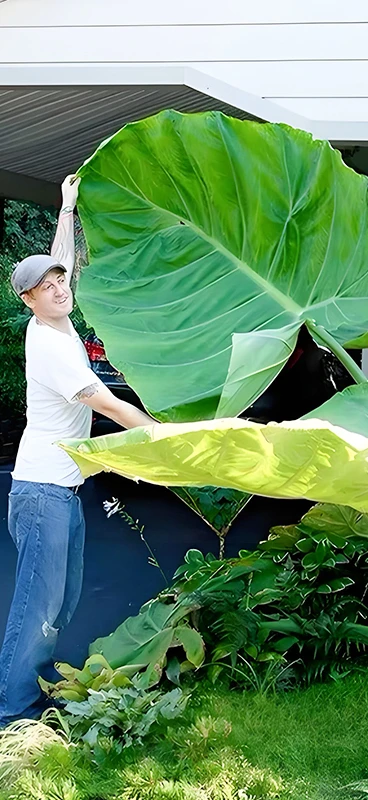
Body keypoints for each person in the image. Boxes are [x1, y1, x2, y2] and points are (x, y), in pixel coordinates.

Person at [0, 176, 157, 727]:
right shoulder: (48, 344)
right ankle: (11, 714)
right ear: (28, 299)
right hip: (42, 490)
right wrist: (160, 436)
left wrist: (66, 209)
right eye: (44, 286)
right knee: (37, 607)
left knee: (60, 602)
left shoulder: (59, 323)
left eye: (60, 279)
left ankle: (30, 697)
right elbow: (108, 405)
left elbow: (62, 261)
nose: (58, 286)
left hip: (61, 488)